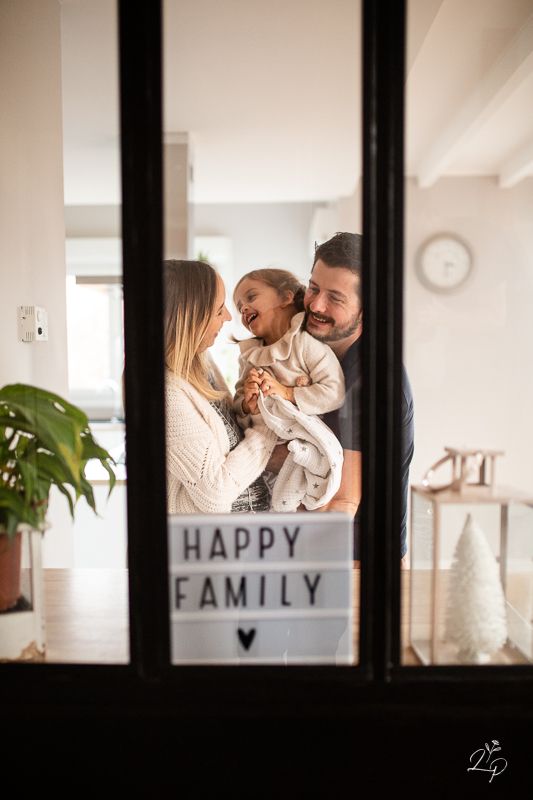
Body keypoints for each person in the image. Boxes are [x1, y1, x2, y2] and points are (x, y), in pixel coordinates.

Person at [302, 232, 414, 564]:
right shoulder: (320, 353)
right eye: (313, 288)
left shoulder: (373, 381)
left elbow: (341, 503)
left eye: (335, 298)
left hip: (361, 563)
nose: (316, 305)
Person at [164, 259, 279, 514]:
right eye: (218, 310)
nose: (228, 317)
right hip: (215, 544)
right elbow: (214, 494)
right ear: (189, 318)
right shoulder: (167, 395)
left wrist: (251, 410)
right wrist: (267, 430)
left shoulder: (201, 362)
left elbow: (233, 437)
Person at [232, 268, 345, 510]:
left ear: (285, 297)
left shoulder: (305, 343)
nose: (243, 308)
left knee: (309, 461)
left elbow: (334, 392)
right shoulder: (250, 357)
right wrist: (246, 403)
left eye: (250, 297)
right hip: (263, 438)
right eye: (239, 305)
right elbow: (238, 401)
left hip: (300, 435)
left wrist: (287, 393)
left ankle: (302, 485)